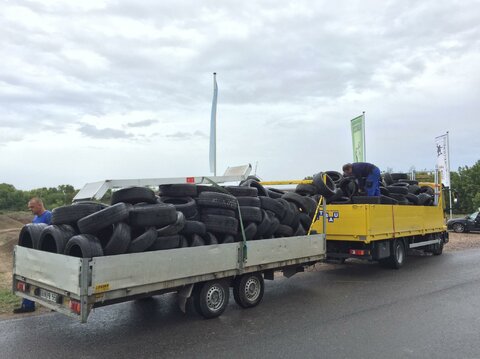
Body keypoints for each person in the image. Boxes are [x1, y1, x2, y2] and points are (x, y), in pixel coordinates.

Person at [13, 197, 52, 314]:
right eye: (29, 207)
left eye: (32, 207)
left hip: (46, 255)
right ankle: (27, 305)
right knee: (27, 278)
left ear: (40, 205)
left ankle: (53, 305)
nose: (30, 209)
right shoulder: (35, 218)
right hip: (34, 254)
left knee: (48, 281)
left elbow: (54, 235)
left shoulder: (49, 216)